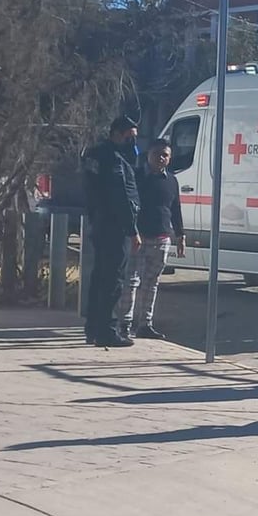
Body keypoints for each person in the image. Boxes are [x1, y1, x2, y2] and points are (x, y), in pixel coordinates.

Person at [117, 139, 185, 340]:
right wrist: (131, 231)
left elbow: (175, 209)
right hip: (138, 238)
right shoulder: (136, 177)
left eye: (165, 155)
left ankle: (145, 324)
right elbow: (126, 206)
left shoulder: (171, 181)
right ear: (148, 155)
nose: (161, 158)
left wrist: (180, 235)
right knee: (131, 282)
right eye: (157, 154)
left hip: (162, 238)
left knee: (151, 282)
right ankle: (124, 324)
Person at [83, 116, 141, 347]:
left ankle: (93, 328)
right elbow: (121, 197)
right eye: (130, 136)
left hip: (100, 223)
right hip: (115, 227)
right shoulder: (114, 159)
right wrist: (132, 230)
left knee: (99, 278)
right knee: (113, 280)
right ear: (117, 133)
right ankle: (106, 331)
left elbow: (91, 193)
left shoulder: (94, 155)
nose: (133, 142)